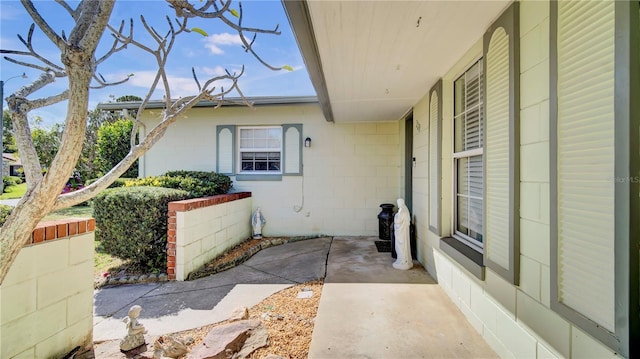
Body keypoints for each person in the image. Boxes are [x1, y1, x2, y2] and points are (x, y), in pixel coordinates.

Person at [393, 198, 413, 270]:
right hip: (404, 232)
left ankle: (402, 260)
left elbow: (398, 221)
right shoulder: (406, 209)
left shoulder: (402, 210)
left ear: (401, 203)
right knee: (404, 246)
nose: (398, 204)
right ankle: (405, 260)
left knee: (400, 246)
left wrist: (395, 215)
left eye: (398, 203)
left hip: (401, 232)